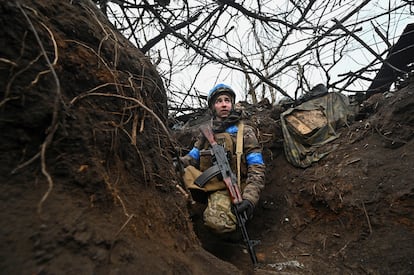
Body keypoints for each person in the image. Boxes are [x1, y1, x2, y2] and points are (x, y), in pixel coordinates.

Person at [180, 83, 266, 235]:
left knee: (221, 222)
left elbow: (257, 166)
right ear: (213, 107)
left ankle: (234, 231)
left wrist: (249, 199)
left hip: (238, 186)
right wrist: (176, 162)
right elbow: (192, 157)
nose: (224, 104)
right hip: (214, 186)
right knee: (182, 172)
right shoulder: (206, 133)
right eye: (219, 101)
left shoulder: (244, 131)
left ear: (232, 104)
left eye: (227, 100)